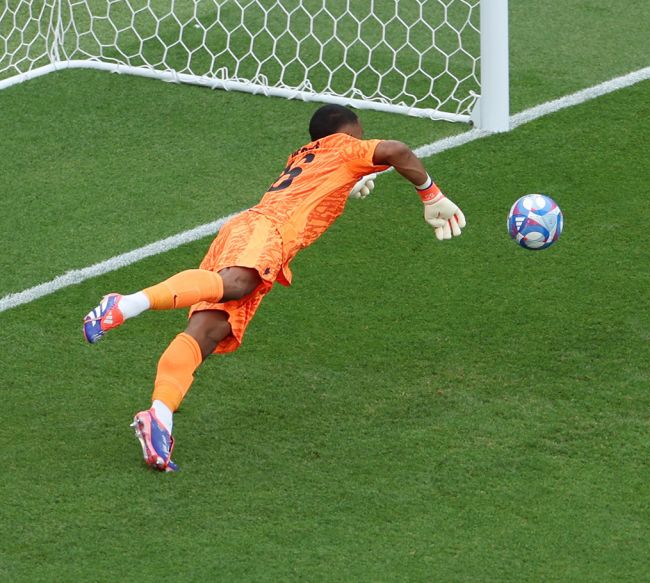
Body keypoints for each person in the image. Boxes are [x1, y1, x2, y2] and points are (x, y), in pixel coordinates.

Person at [82, 103, 465, 471]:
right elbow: (397, 150)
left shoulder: (306, 155)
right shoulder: (346, 147)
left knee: (208, 332)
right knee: (236, 283)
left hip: (252, 231)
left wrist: (350, 183)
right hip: (266, 233)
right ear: (351, 130)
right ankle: (127, 303)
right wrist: (431, 195)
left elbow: (311, 190)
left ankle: (158, 417)